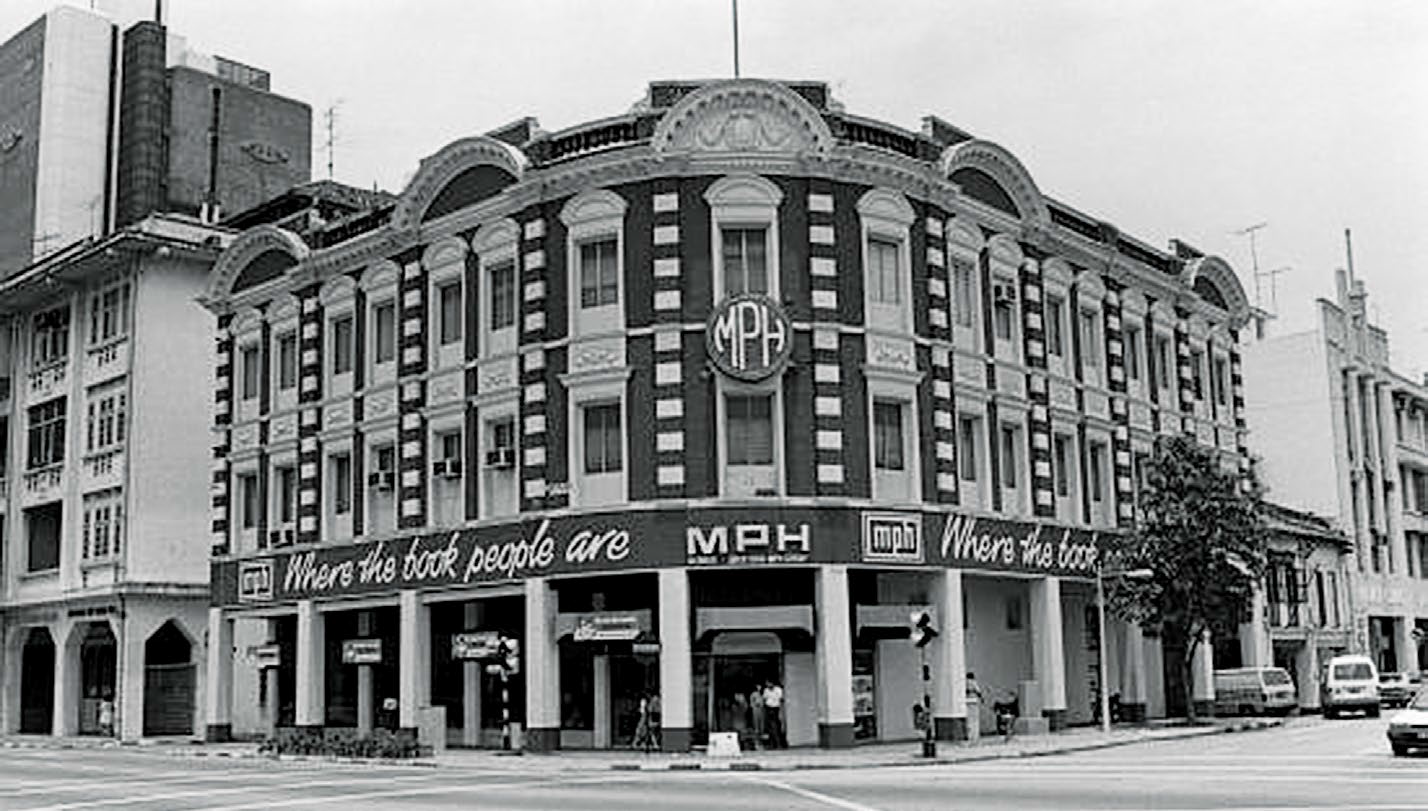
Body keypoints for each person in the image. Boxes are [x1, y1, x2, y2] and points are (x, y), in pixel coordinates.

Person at [763, 680, 786, 749]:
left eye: (769, 683)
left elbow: (781, 699)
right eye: (767, 684)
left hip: (776, 708)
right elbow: (765, 698)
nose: (768, 685)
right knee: (769, 726)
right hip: (768, 708)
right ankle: (772, 744)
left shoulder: (778, 690)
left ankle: (779, 744)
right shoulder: (766, 690)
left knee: (776, 726)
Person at [748, 685, 766, 750]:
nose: (759, 687)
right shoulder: (754, 694)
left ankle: (762, 743)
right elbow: (752, 703)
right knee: (756, 727)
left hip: (762, 710)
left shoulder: (763, 693)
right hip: (756, 710)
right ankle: (757, 743)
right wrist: (756, 704)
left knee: (762, 727)